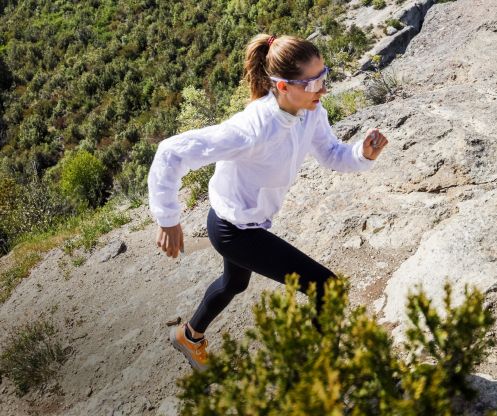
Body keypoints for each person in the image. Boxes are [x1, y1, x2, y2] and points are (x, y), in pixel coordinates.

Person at [147, 33, 388, 372]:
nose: (323, 88)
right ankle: (322, 383)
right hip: (232, 229)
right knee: (326, 288)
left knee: (234, 283)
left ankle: (189, 336)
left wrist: (361, 154)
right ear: (283, 86)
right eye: (314, 81)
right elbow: (171, 152)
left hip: (248, 221)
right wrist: (168, 218)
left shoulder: (310, 111)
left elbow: (332, 154)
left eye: (324, 76)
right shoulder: (252, 128)